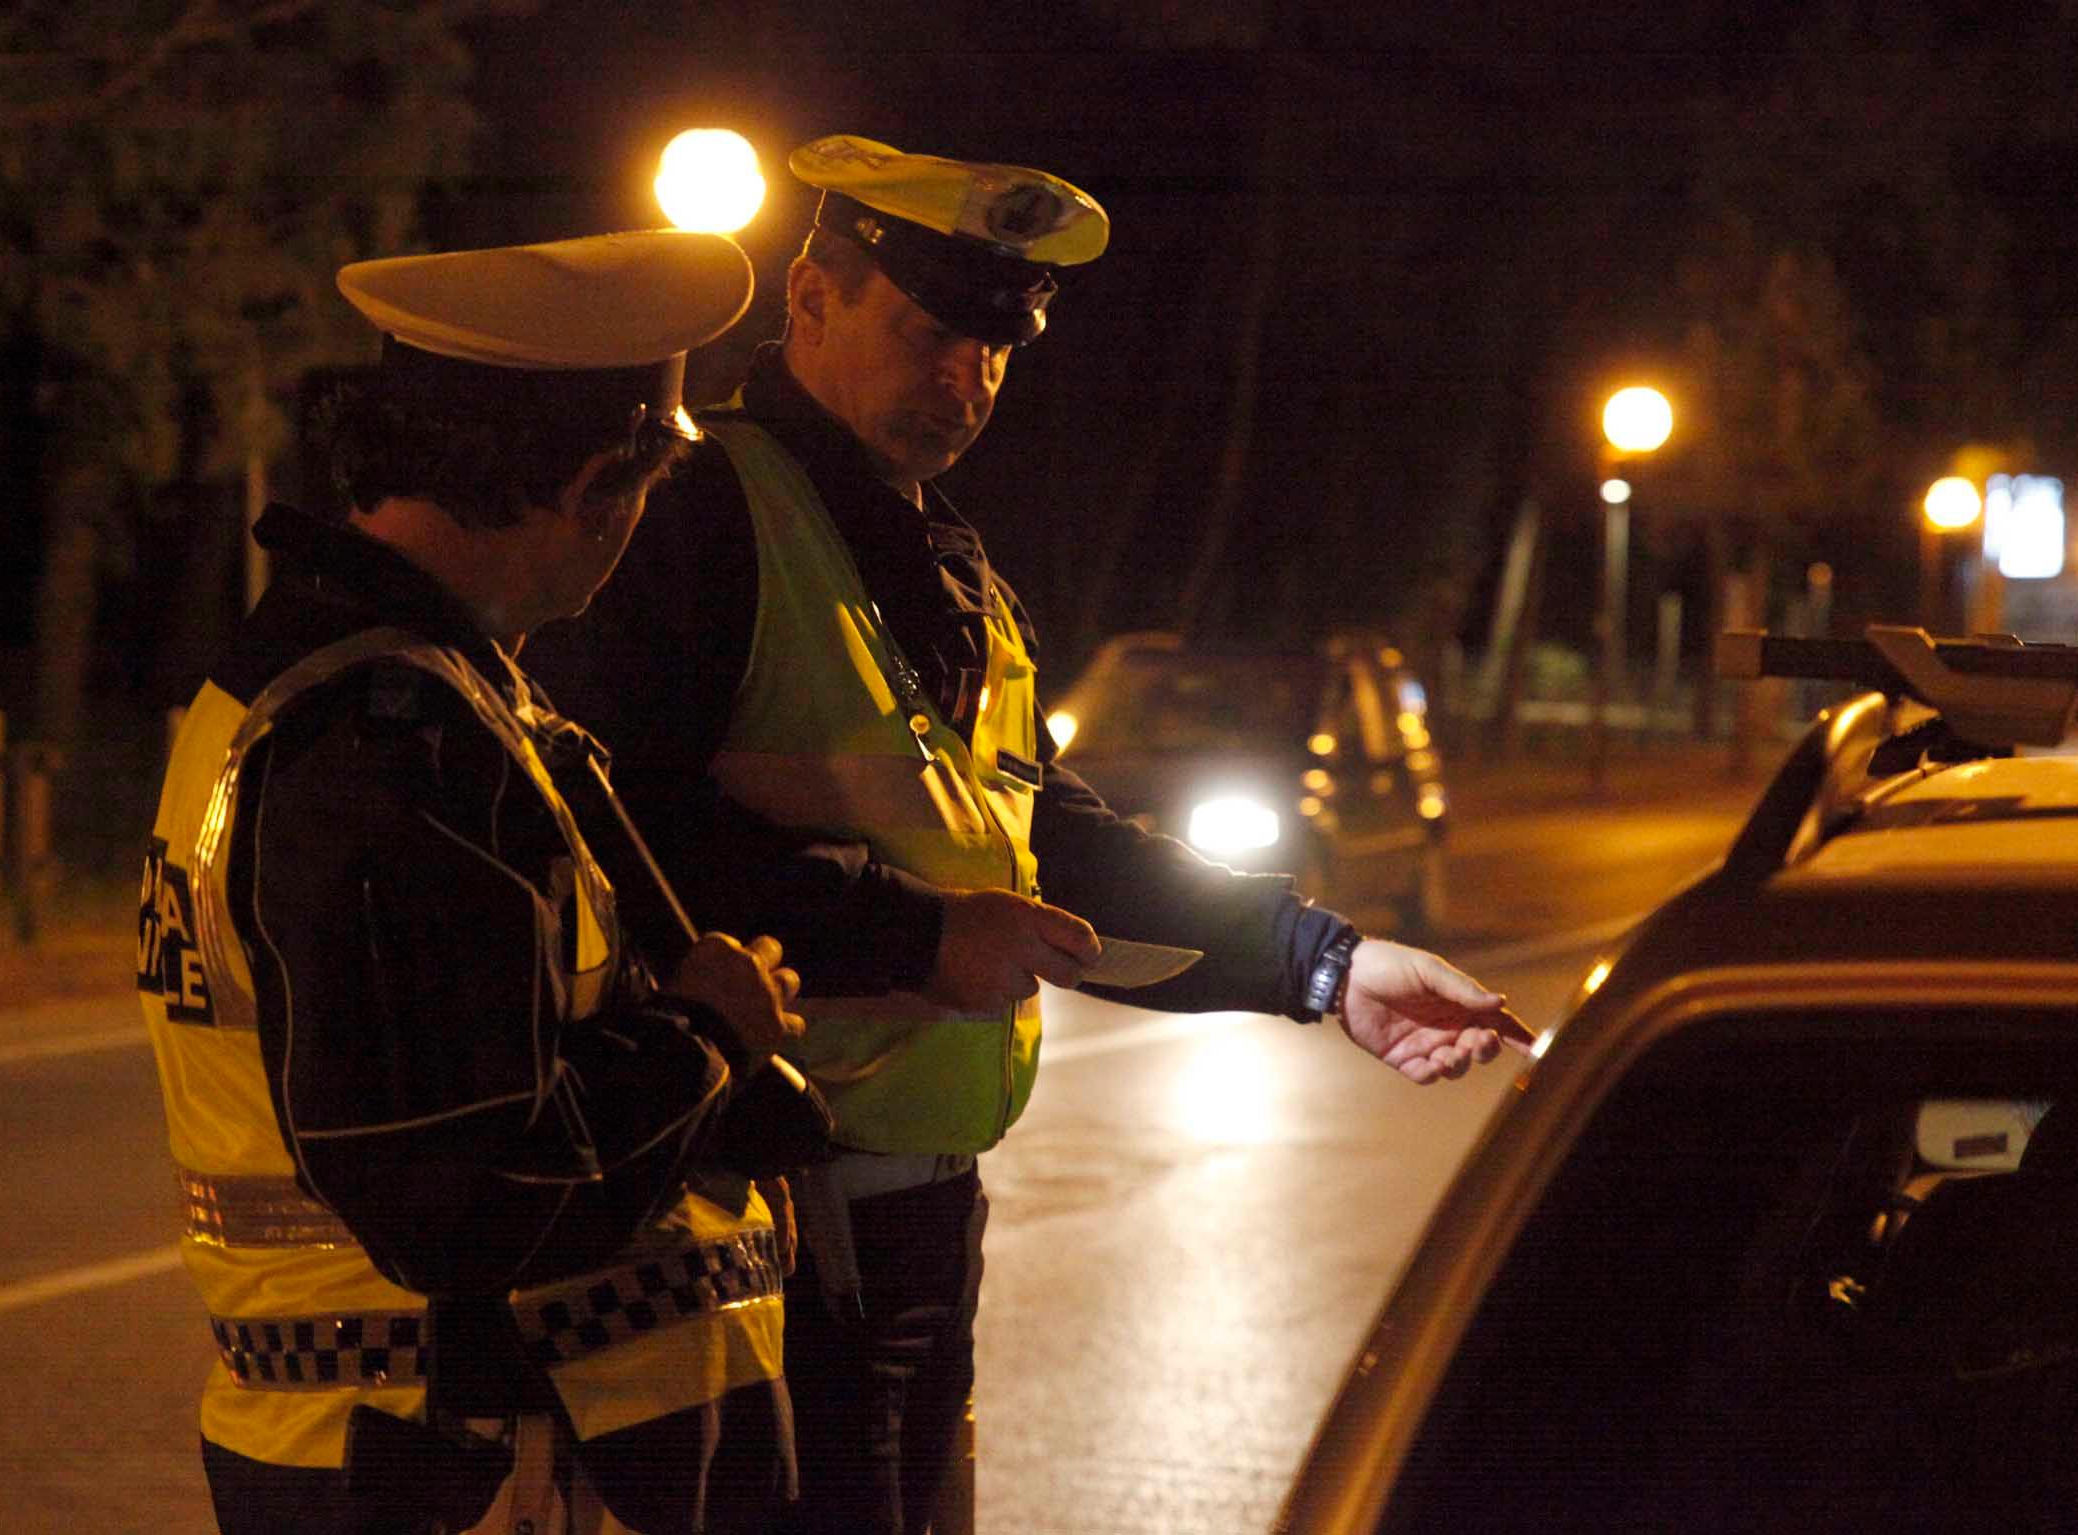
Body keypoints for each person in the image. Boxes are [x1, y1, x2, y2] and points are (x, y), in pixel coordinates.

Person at [521, 135, 1531, 1535]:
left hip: (917, 1218)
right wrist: (913, 934)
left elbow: (1044, 835)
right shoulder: (701, 516)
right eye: (930, 332)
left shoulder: (950, 568)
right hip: (743, 1222)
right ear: (811, 297)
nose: (967, 381)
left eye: (996, 351)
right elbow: (610, 832)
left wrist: (1325, 963)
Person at [136, 229, 828, 1535]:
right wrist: (707, 1039)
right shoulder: (393, 743)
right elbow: (462, 1202)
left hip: (432, 1448)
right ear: (590, 482)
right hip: (490, 1457)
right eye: (637, 497)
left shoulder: (330, 692)